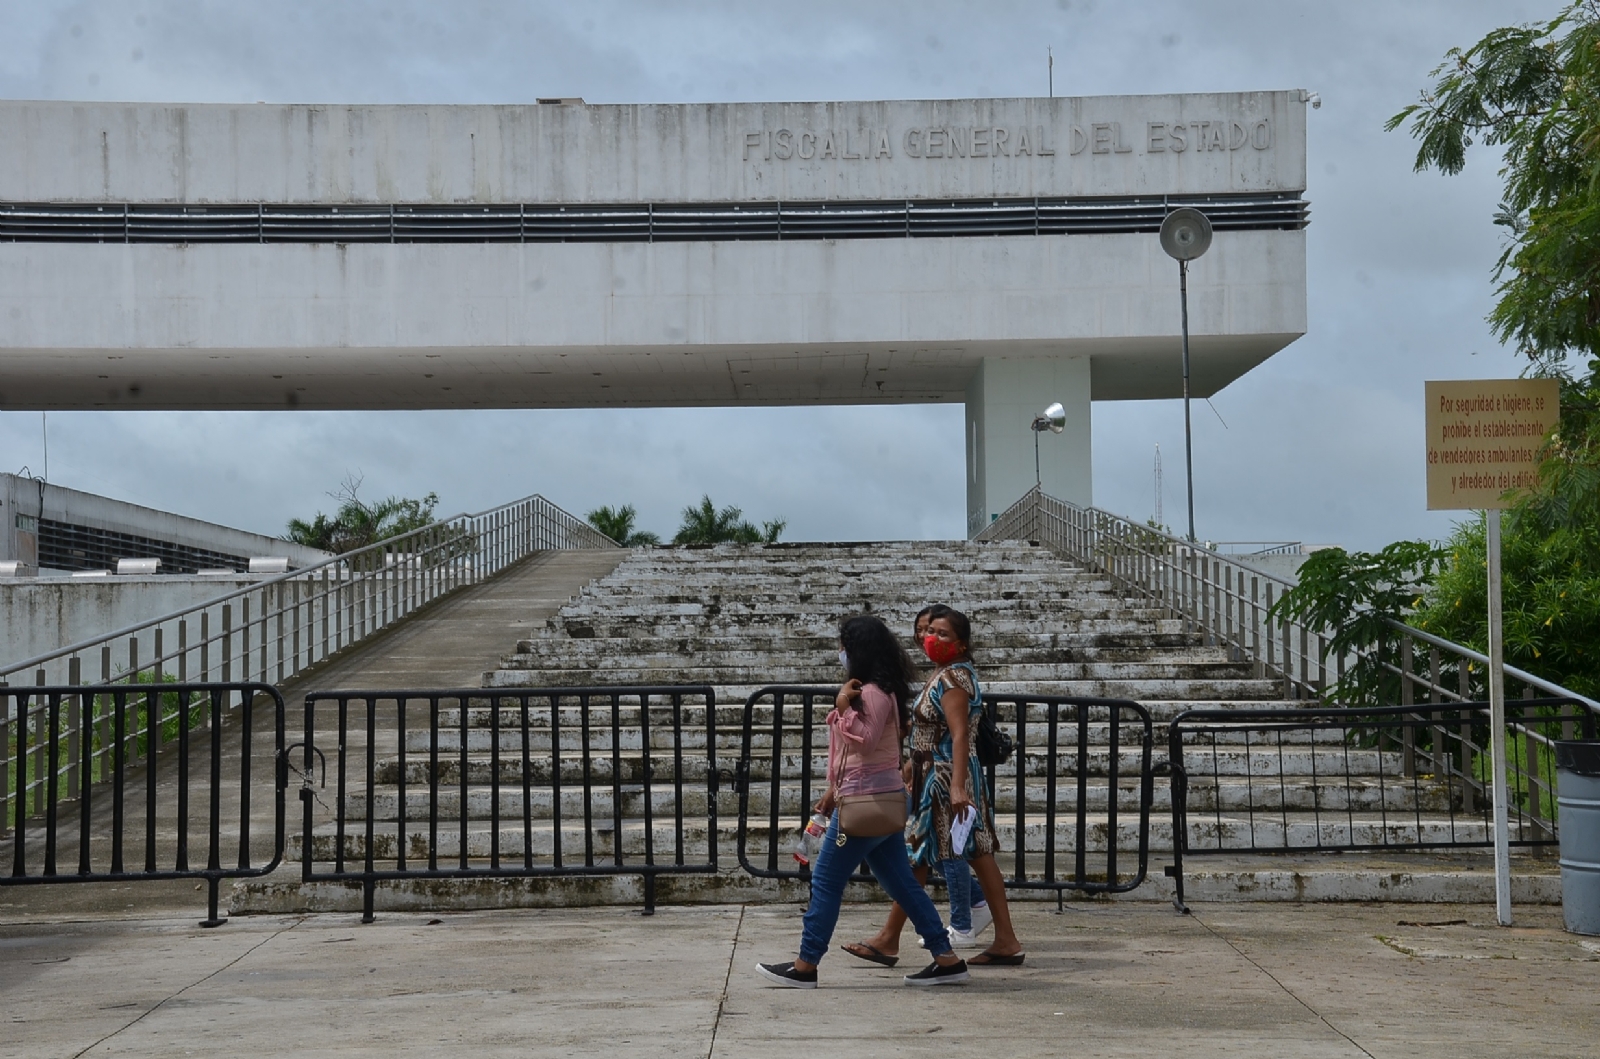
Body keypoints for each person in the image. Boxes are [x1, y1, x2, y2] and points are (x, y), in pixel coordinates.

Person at [755, 614, 970, 989]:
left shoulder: (869, 693)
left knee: (825, 880)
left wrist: (841, 708)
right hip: (876, 800)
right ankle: (946, 958)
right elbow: (856, 756)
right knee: (903, 884)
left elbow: (866, 740)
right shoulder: (881, 690)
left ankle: (806, 965)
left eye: (844, 646)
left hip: (863, 802)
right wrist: (830, 793)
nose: (841, 653)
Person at [844, 605, 1026, 967]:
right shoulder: (948, 674)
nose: (932, 639)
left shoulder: (953, 679)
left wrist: (957, 786)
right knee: (973, 851)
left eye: (943, 634)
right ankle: (1004, 938)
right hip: (937, 773)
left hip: (944, 779)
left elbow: (959, 736)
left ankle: (889, 938)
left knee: (921, 855)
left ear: (961, 643)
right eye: (931, 632)